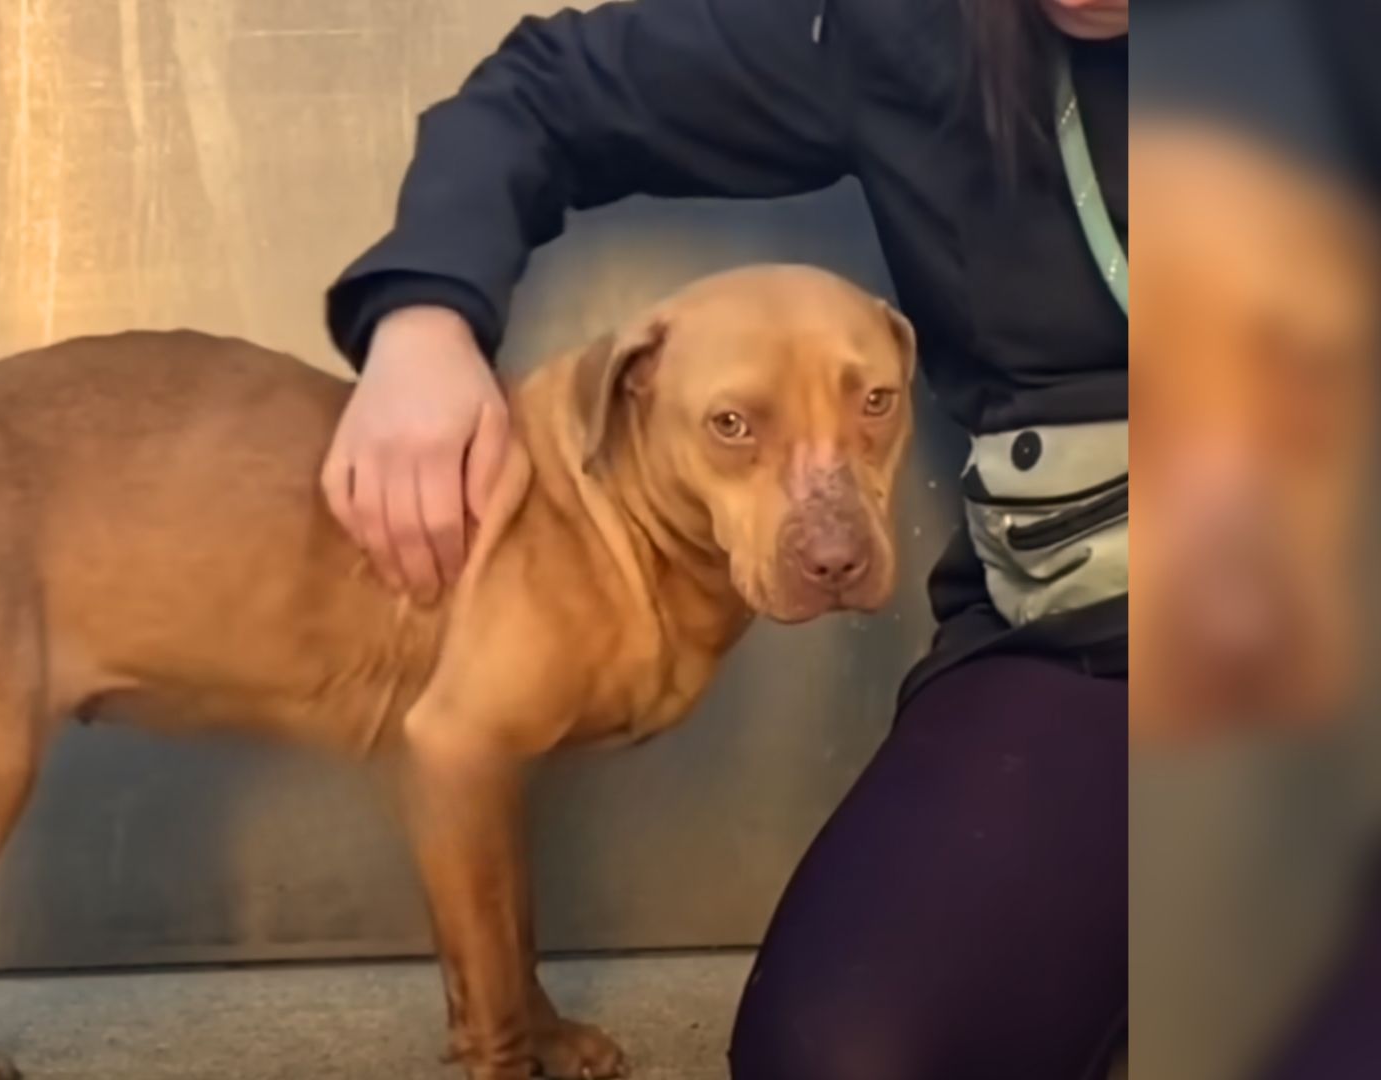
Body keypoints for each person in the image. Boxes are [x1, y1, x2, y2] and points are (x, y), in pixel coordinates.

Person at [321, 0, 1129, 1076]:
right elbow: (543, 90)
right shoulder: (906, 33)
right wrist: (422, 321)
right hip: (1079, 625)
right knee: (844, 1058)